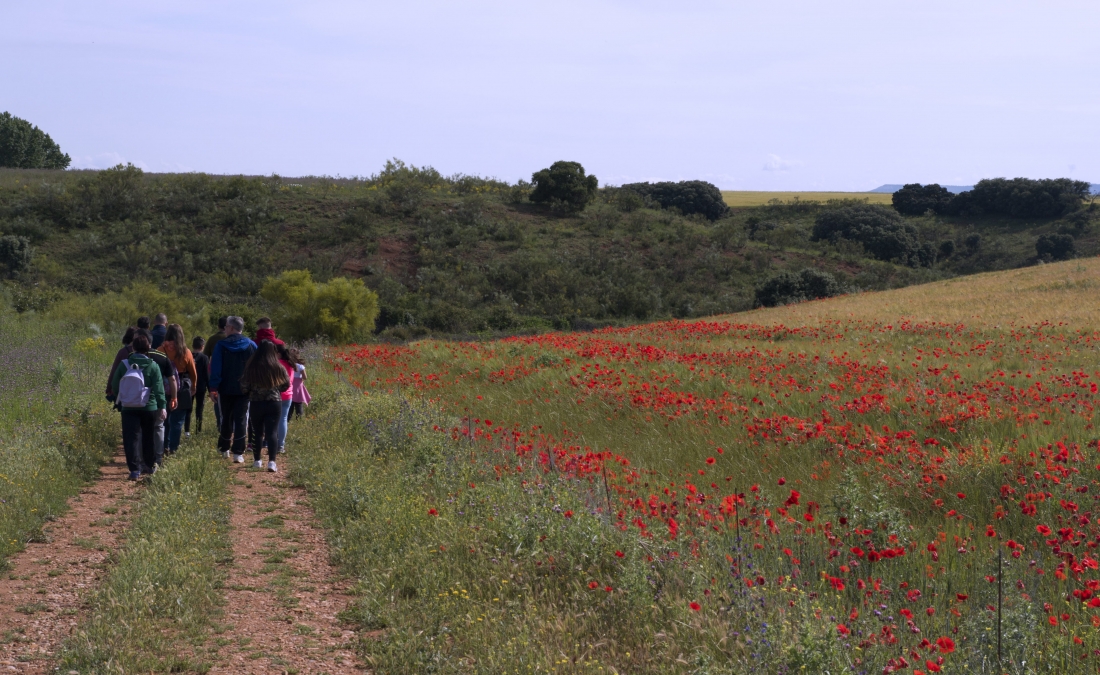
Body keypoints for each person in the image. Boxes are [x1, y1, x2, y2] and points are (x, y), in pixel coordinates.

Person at [109, 333, 167, 480]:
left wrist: (123, 398)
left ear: (133, 347)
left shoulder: (124, 364)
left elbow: (115, 385)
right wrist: (163, 406)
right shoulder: (153, 365)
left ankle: (134, 470)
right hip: (149, 407)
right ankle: (149, 465)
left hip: (129, 408)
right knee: (148, 437)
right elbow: (159, 389)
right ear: (148, 348)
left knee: (131, 438)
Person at [209, 316, 257, 462]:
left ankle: (224, 448)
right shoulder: (251, 345)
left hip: (225, 388)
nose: (224, 329)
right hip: (245, 389)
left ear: (231, 328)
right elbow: (256, 367)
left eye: (226, 327)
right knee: (242, 419)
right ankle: (238, 452)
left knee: (226, 418)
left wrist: (213, 387)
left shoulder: (221, 345)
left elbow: (215, 367)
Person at [241, 340, 290, 472]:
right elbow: (286, 385)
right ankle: (272, 462)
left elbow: (244, 386)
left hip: (256, 402)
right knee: (272, 432)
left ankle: (257, 460)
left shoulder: (251, 367)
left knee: (257, 432)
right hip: (274, 402)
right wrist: (276, 390)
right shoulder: (278, 367)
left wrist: (252, 391)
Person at [140, 328, 178, 468]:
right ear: (150, 343)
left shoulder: (131, 358)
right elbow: (172, 380)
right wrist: (174, 398)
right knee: (158, 427)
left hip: (137, 400)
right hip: (157, 399)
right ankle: (158, 457)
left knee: (141, 430)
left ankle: (141, 460)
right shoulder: (162, 357)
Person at [162, 324, 198, 454]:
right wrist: (194, 386)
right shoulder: (186, 352)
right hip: (181, 388)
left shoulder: (160, 349)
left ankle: (163, 446)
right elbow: (193, 372)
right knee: (177, 421)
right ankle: (174, 448)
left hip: (164, 388)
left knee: (164, 419)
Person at [204, 316, 229, 429]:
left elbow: (206, 356)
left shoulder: (213, 339)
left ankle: (220, 422)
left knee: (216, 397)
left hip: (214, 370)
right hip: (229, 371)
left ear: (218, 326)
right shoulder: (230, 338)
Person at [274, 344, 296, 454]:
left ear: (278, 354)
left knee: (274, 420)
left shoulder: (277, 364)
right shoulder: (291, 364)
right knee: (283, 419)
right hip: (288, 395)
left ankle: (272, 443)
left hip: (277, 394)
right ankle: (281, 445)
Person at [105, 326, 137, 399]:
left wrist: (109, 388)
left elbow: (114, 370)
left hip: (123, 388)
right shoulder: (143, 353)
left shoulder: (122, 352)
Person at [188, 336, 210, 435]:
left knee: (188, 409)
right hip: (201, 387)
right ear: (202, 347)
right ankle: (198, 430)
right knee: (199, 409)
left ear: (193, 346)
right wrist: (210, 389)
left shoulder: (189, 356)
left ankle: (187, 431)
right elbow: (207, 374)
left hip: (189, 386)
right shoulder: (205, 358)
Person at [287, 347, 311, 422]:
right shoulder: (300, 366)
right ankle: (299, 420)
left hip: (290, 385)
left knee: (290, 405)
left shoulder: (288, 365)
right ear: (298, 356)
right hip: (298, 386)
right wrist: (301, 379)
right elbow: (305, 377)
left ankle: (287, 420)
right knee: (298, 404)